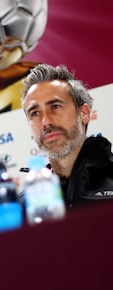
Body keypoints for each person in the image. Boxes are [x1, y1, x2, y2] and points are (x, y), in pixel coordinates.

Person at [20, 63, 113, 209]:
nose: (45, 122)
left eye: (55, 107)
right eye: (35, 113)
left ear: (84, 113)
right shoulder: (23, 207)